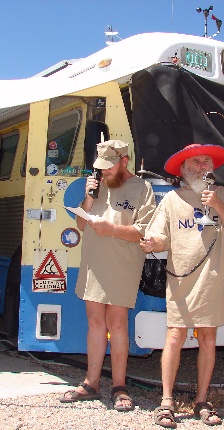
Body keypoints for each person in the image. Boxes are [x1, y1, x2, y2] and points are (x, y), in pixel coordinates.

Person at [140, 144, 224, 428]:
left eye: (207, 161)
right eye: (197, 162)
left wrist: (217, 205)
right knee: (175, 336)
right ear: (184, 169)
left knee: (208, 338)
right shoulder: (172, 199)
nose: (204, 166)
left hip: (213, 278)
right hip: (181, 279)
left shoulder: (222, 195)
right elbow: (160, 238)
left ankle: (202, 400)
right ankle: (166, 403)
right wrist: (153, 244)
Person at [60, 140, 156, 411]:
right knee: (95, 322)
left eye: (108, 167)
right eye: (99, 167)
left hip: (123, 264)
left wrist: (111, 229)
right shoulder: (96, 184)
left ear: (124, 161)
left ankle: (119, 386)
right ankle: (91, 383)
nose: (103, 172)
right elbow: (80, 223)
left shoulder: (142, 188)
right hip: (93, 263)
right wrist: (89, 197)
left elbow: (143, 231)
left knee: (117, 324)